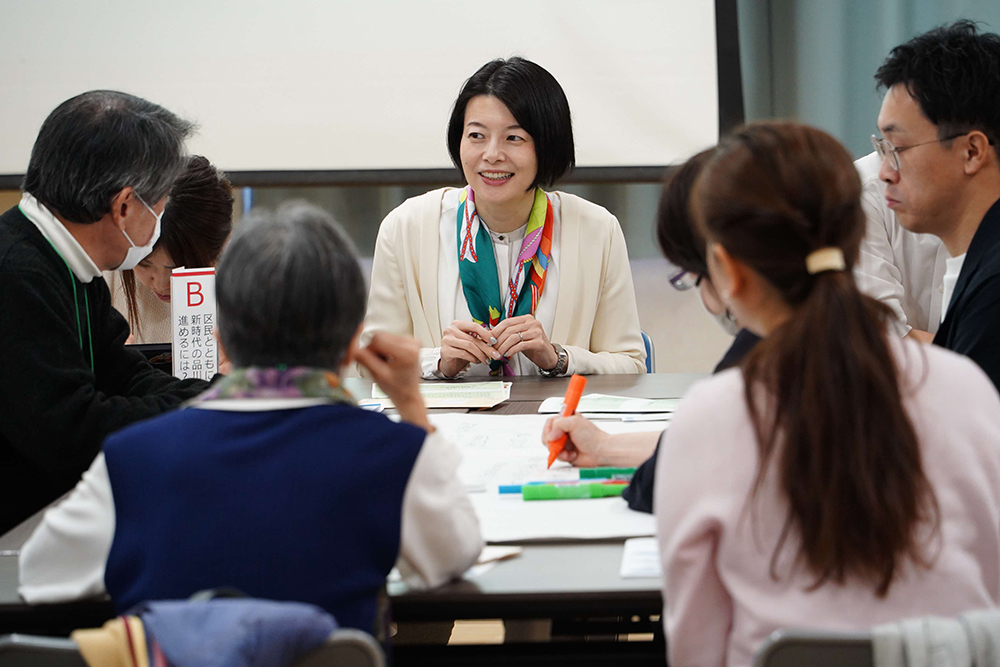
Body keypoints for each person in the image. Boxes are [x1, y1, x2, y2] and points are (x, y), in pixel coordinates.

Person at [19, 202, 483, 637]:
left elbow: (40, 573)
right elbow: (455, 553)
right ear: (351, 345)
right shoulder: (393, 454)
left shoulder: (131, 457)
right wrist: (413, 412)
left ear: (222, 339)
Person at [0, 91, 211, 534]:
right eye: (163, 205)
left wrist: (216, 397)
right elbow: (71, 431)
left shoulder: (73, 264)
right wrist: (205, 414)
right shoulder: (16, 273)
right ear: (125, 206)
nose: (159, 223)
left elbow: (126, 375)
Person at [363, 57, 646, 378]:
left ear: (547, 145)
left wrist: (558, 358)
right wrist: (437, 363)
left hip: (551, 425)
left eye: (514, 138)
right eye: (476, 136)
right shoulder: (406, 228)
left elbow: (631, 365)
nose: (492, 154)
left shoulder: (597, 230)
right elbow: (370, 364)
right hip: (445, 426)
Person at [872, 21, 1000, 388]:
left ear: (972, 151)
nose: (884, 172)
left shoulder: (994, 289)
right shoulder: (978, 263)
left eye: (898, 150)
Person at [105, 155, 234, 343]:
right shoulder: (105, 273)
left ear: (219, 248)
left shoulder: (241, 288)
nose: (160, 284)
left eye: (176, 268)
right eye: (143, 264)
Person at [854, 151, 947, 342]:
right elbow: (883, 333)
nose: (885, 171)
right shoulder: (864, 187)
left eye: (901, 145)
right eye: (883, 144)